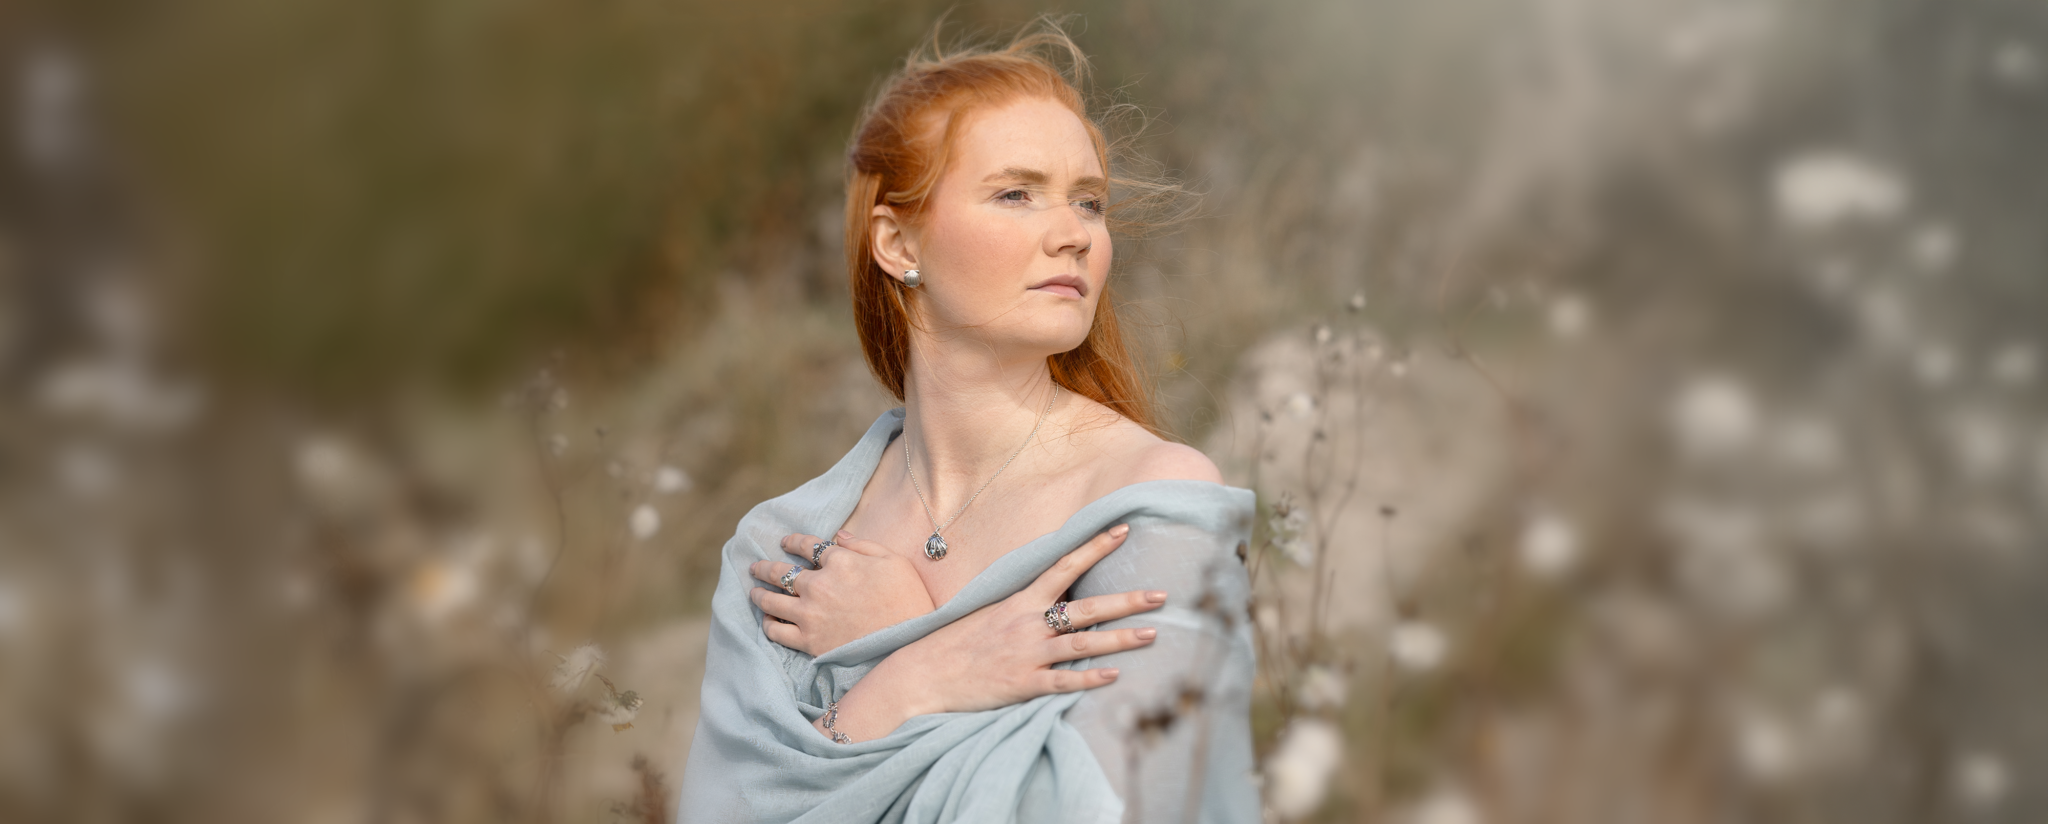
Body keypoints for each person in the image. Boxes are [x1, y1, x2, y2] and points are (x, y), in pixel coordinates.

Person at [677, 20, 1258, 824]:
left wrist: (907, 646)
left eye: (1089, 202)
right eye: (1016, 193)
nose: (1074, 234)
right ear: (896, 240)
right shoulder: (781, 551)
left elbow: (1135, 806)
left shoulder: (1154, 502)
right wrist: (918, 678)